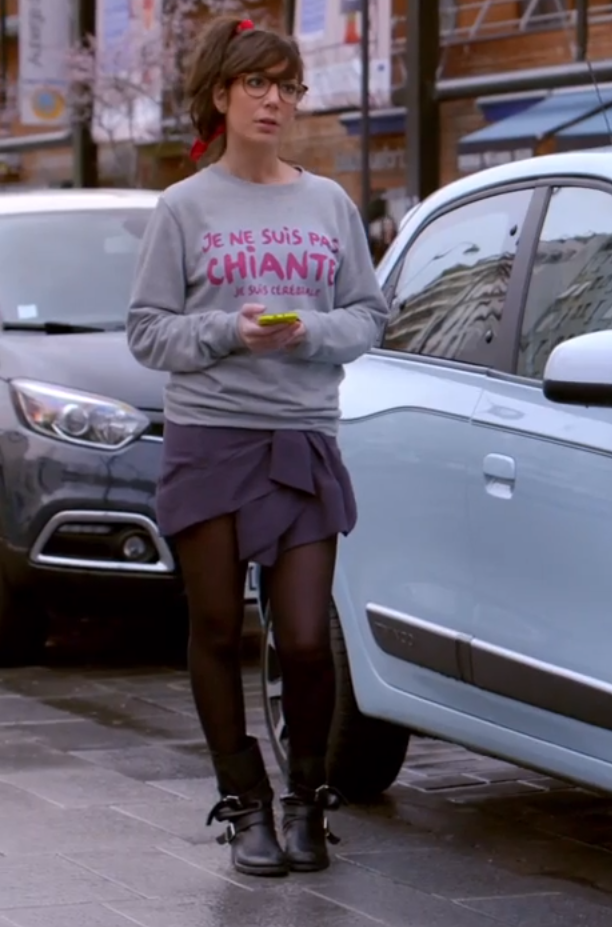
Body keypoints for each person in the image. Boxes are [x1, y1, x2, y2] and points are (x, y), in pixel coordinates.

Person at [126, 16, 389, 877]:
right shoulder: (183, 206)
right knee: (214, 626)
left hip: (302, 440)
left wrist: (308, 331)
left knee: (306, 638)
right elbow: (147, 331)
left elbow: (369, 316)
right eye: (257, 84)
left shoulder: (330, 203)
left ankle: (307, 800)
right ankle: (244, 806)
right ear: (221, 95)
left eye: (287, 85)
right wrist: (226, 332)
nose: (275, 100)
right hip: (211, 439)